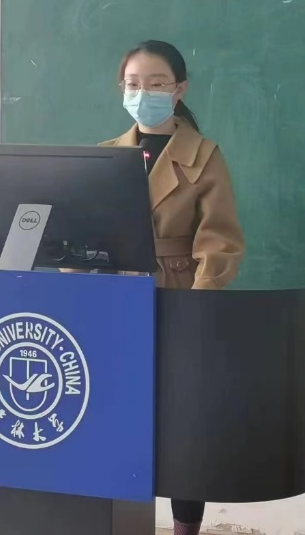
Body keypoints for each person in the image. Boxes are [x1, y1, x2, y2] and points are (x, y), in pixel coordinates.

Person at [103, 40, 245, 534]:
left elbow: (220, 242)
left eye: (157, 84)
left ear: (179, 89)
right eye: (133, 84)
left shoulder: (204, 155)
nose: (143, 93)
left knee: (185, 420)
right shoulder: (106, 155)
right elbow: (87, 231)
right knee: (116, 415)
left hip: (180, 293)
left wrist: (198, 308)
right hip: (118, 298)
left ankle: (185, 528)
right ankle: (120, 521)